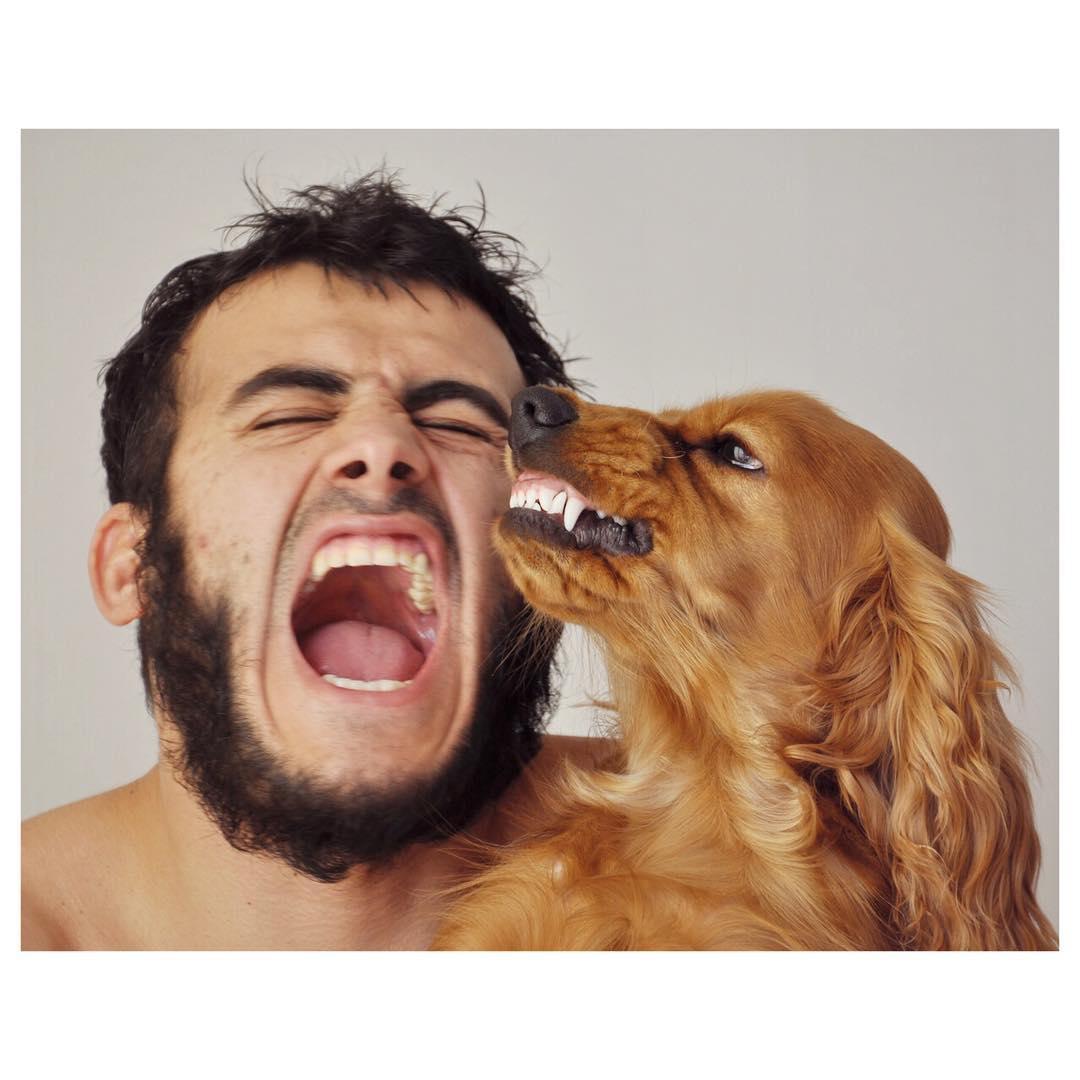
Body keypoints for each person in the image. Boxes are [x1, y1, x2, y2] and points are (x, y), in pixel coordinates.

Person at [21, 173, 605, 949]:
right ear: (131, 566)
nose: (383, 446)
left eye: (460, 423)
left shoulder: (746, 874)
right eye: (290, 413)